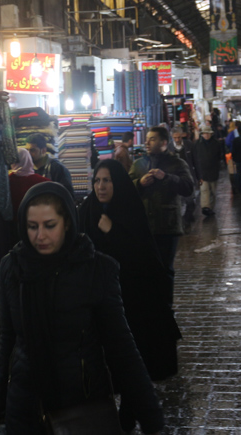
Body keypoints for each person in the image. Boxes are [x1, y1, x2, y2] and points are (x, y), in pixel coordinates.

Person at [0, 182, 163, 435]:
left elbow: (121, 348)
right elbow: (8, 339)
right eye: (32, 226)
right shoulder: (12, 268)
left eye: (50, 225)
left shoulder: (97, 270)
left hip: (81, 405)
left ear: (67, 222)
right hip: (24, 404)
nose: (40, 236)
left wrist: (150, 416)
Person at [78, 160, 181, 386]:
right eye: (97, 180)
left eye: (107, 180)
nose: (101, 186)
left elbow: (143, 256)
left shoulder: (130, 208)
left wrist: (114, 231)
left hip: (133, 294)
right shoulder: (87, 211)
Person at [130, 126, 195, 303]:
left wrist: (166, 177)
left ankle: (166, 306)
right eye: (147, 139)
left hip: (167, 225)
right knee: (146, 268)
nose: (147, 142)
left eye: (152, 139)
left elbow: (189, 188)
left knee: (165, 269)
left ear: (164, 142)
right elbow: (126, 190)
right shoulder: (139, 164)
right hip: (145, 226)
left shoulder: (177, 163)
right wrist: (139, 183)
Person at [8, 147, 49, 234]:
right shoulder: (44, 182)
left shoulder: (7, 182)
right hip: (38, 226)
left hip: (14, 228)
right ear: (28, 159)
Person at [26, 133, 74, 198]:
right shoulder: (27, 169)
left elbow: (68, 195)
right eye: (27, 150)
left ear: (43, 150)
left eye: (32, 150)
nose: (28, 154)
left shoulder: (57, 168)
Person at [192, 126, 224, 217]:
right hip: (202, 171)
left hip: (213, 171)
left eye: (208, 133)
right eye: (204, 133)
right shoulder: (197, 144)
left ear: (211, 134)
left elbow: (219, 156)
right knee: (204, 190)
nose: (206, 135)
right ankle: (206, 207)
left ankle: (211, 207)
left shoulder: (216, 143)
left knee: (213, 191)